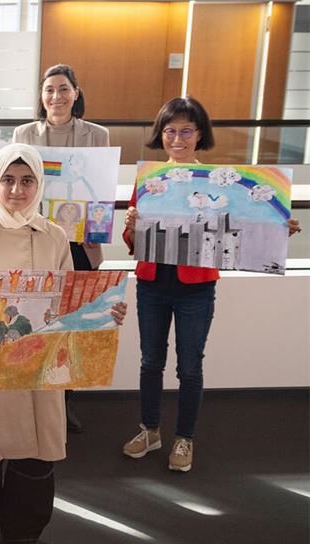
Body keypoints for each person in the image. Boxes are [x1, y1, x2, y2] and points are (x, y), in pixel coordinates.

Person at [0, 143, 126, 544]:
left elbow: (68, 302)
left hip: (40, 360)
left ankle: (24, 534)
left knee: (36, 457)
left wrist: (104, 310)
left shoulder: (55, 235)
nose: (17, 190)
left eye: (27, 181)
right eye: (7, 179)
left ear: (39, 185)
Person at [121, 97, 300, 472]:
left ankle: (184, 438)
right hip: (152, 282)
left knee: (190, 366)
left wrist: (277, 229)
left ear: (200, 134)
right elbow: (135, 244)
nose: (177, 138)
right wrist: (132, 223)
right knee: (150, 361)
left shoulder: (221, 180)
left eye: (186, 131)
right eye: (170, 131)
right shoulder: (149, 177)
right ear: (161, 135)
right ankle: (150, 429)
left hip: (196, 287)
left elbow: (243, 224)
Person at [13, 63, 110, 433]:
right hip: (34, 238)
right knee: (34, 318)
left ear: (76, 92)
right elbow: (12, 186)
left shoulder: (96, 135)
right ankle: (28, 398)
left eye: (64, 89)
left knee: (71, 322)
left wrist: (95, 227)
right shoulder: (24, 133)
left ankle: (63, 400)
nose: (56, 96)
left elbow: (100, 191)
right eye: (49, 89)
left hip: (81, 242)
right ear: (41, 95)